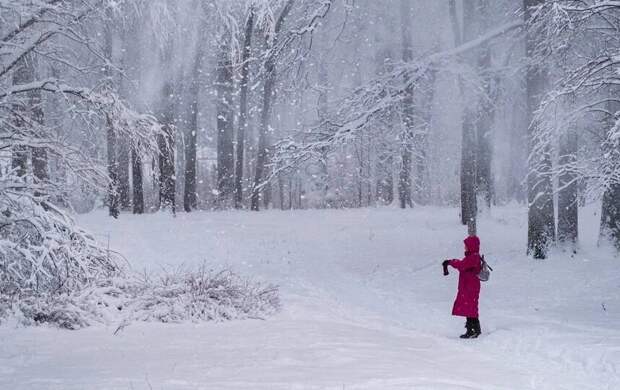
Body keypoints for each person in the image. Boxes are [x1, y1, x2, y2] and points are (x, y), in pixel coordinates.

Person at [442, 235, 482, 339]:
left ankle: (473, 329)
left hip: (470, 286)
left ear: (471, 246)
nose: (465, 247)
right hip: (469, 286)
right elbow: (463, 265)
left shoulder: (473, 257)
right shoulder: (472, 257)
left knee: (470, 307)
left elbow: (462, 265)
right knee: (469, 307)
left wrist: (451, 262)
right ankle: (472, 329)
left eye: (466, 245)